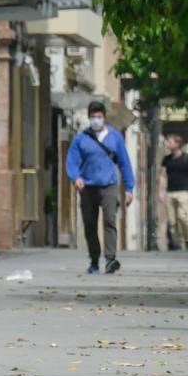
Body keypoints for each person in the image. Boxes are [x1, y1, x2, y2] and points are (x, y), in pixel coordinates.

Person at [65, 101, 136, 274]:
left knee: (110, 220)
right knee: (90, 223)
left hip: (109, 185)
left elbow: (124, 163)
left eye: (99, 116)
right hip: (88, 186)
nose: (96, 120)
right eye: (93, 117)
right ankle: (94, 259)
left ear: (104, 117)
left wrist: (129, 187)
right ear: (89, 118)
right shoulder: (81, 139)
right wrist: (76, 177)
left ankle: (110, 259)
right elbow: (72, 161)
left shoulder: (115, 137)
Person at [159, 134, 188, 252]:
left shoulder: (187, 158)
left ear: (177, 144)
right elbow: (163, 176)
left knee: (182, 216)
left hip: (184, 192)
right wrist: (161, 191)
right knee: (172, 221)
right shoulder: (166, 159)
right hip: (170, 192)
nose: (168, 144)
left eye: (170, 142)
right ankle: (178, 243)